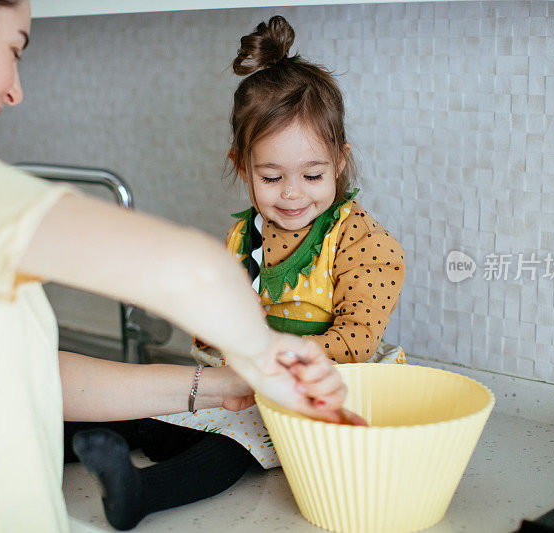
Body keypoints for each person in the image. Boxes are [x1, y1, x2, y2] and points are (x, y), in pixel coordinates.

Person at [0, 2, 349, 532]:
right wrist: (269, 355)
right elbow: (194, 272)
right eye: (14, 49)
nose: (14, 90)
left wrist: (220, 385)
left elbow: (24, 370)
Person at [73, 15, 406, 531]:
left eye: (312, 175)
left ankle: (141, 492)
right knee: (160, 419)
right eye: (271, 177)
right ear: (242, 165)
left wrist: (264, 353)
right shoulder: (244, 237)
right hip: (247, 384)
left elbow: (357, 341)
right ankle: (58, 439)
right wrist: (221, 321)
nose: (292, 194)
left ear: (340, 163)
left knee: (232, 447)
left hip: (316, 392)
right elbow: (207, 332)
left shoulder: (365, 244)